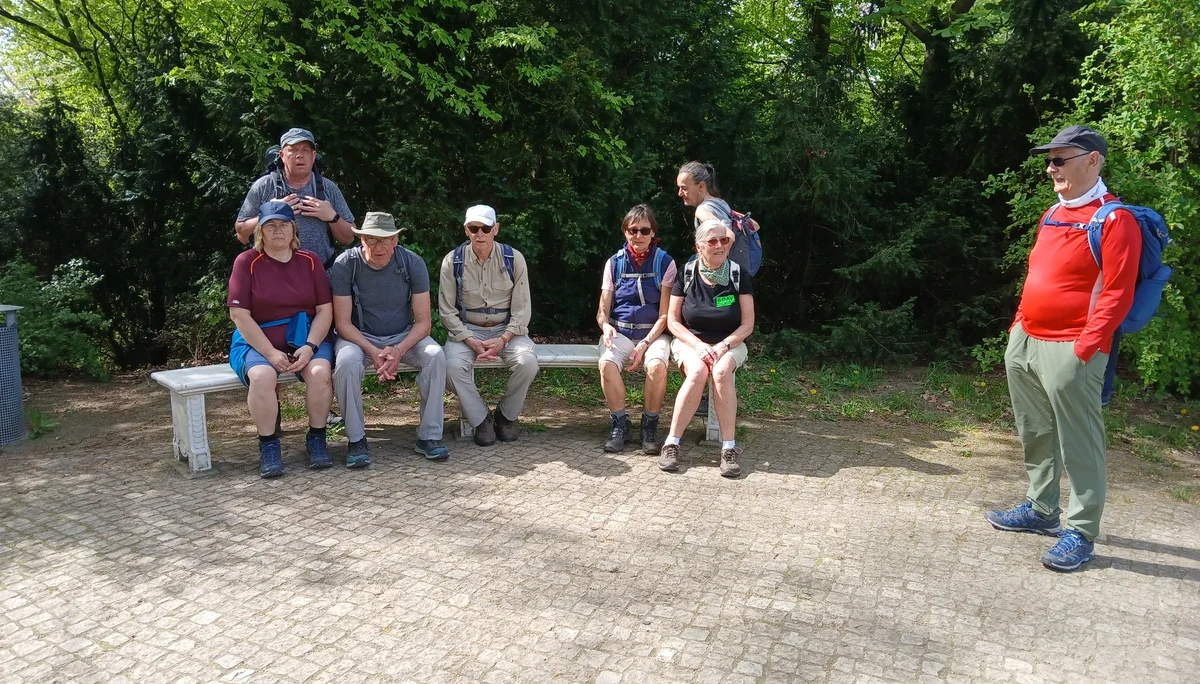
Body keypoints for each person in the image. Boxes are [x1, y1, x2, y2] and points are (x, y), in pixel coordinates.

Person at [986, 125, 1141, 572]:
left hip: (1074, 348)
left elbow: (1116, 294)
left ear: (1093, 160)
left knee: (1080, 442)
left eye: (1060, 159)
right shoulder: (1052, 214)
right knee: (1035, 430)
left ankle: (1081, 531)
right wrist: (1018, 327)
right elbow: (1036, 273)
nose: (1051, 168)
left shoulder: (1115, 220)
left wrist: (1085, 350)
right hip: (1027, 340)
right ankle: (1040, 510)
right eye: (1048, 160)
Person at [330, 212, 449, 468]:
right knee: (347, 362)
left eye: (385, 239)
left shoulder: (412, 263)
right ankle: (356, 439)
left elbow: (423, 323)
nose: (379, 246)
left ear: (396, 240)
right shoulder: (344, 265)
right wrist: (373, 351)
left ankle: (429, 436)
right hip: (359, 337)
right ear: (361, 240)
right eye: (371, 240)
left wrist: (398, 349)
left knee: (435, 355)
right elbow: (343, 324)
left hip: (405, 335)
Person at [227, 200, 335, 478]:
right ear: (260, 231)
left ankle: (317, 439)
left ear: (293, 230)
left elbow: (325, 310)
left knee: (321, 372)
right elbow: (239, 314)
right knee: (263, 377)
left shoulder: (310, 260)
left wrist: (311, 347)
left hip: (306, 336)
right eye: (271, 225)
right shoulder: (247, 261)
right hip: (257, 339)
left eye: (283, 225)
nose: (278, 231)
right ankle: (269, 446)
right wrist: (271, 353)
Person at [657, 219, 755, 477]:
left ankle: (729, 449)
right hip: (691, 342)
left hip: (730, 343)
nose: (720, 245)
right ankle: (672, 444)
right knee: (699, 372)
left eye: (724, 240)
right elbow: (674, 321)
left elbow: (747, 325)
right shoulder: (686, 273)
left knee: (721, 372)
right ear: (699, 246)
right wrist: (699, 346)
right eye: (713, 241)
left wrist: (723, 346)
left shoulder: (738, 274)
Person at [439, 205, 539, 446]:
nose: (480, 234)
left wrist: (503, 339)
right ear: (466, 230)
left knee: (528, 363)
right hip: (467, 331)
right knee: (450, 367)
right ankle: (481, 418)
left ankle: (506, 416)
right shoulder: (452, 261)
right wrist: (468, 339)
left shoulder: (514, 258)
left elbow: (522, 309)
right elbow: (446, 310)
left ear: (496, 229)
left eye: (485, 228)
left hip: (507, 330)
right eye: (474, 228)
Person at [595, 204, 676, 454]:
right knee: (606, 363)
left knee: (656, 366)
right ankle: (620, 423)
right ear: (625, 232)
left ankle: (649, 425)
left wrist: (644, 344)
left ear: (653, 233)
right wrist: (606, 326)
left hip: (653, 333)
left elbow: (665, 314)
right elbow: (602, 311)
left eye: (644, 230)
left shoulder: (666, 262)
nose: (638, 236)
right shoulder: (614, 263)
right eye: (633, 230)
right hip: (620, 331)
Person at [235, 128, 357, 267]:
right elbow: (242, 235)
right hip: (272, 276)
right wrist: (269, 212)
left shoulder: (328, 188)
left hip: (319, 276)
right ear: (282, 155)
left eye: (305, 150)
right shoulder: (264, 186)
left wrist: (332, 216)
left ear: (313, 155)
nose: (300, 155)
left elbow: (349, 238)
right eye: (292, 149)